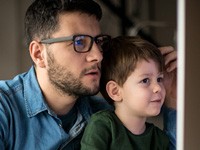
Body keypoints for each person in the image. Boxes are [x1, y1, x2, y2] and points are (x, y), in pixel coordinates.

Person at [0, 0, 177, 149]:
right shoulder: (5, 109)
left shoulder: (110, 117)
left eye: (98, 42)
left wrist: (171, 96)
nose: (98, 56)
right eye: (79, 42)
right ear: (39, 54)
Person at [81, 36, 170, 150]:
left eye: (159, 79)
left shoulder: (159, 139)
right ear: (115, 91)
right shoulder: (103, 126)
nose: (158, 88)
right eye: (145, 80)